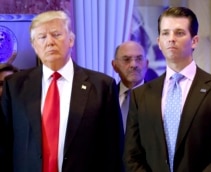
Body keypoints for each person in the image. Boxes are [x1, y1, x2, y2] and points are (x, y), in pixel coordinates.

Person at [0, 10, 122, 172]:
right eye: (42, 37)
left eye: (56, 34)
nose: (49, 42)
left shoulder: (101, 86)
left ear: (71, 40)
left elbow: (113, 152)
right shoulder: (15, 86)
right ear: (34, 46)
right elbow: (3, 145)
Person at [123, 7, 211, 172]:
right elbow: (131, 155)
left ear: (194, 41)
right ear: (159, 42)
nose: (171, 39)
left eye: (179, 33)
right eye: (165, 33)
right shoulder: (140, 95)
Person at [112, 40, 149, 132]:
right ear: (114, 66)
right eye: (126, 59)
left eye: (139, 59)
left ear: (147, 64)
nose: (134, 65)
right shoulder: (106, 97)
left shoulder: (159, 97)